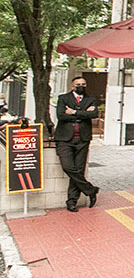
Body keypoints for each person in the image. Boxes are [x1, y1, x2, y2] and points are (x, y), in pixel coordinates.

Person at [53, 76, 100, 212]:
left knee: (79, 170)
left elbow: (94, 114)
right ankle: (90, 190)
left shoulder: (90, 99)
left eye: (83, 84)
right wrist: (84, 114)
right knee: (68, 167)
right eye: (78, 84)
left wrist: (73, 112)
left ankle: (72, 201)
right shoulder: (63, 98)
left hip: (83, 139)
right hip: (64, 139)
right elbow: (61, 116)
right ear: (73, 86)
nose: (81, 86)